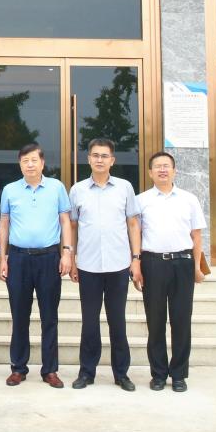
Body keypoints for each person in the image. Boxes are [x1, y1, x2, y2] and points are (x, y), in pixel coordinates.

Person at [68, 138, 141, 392]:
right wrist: (72, 259)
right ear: (89, 159)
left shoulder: (124, 187)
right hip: (88, 266)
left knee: (117, 321)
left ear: (112, 160)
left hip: (118, 265)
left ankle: (121, 374)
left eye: (104, 156)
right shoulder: (77, 190)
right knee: (89, 322)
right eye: (95, 155)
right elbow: (73, 227)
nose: (100, 160)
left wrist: (136, 258)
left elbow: (133, 224)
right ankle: (86, 372)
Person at [0, 143, 72, 388]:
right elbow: (4, 224)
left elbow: (65, 221)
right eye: (25, 161)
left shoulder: (56, 187)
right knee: (19, 315)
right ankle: (18, 368)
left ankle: (50, 370)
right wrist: (3, 257)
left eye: (34, 160)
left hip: (49, 258)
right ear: (20, 164)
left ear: (42, 163)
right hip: (18, 259)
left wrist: (67, 252)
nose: (29, 164)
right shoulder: (10, 190)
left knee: (49, 316)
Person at [134, 151, 207, 393]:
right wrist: (136, 265)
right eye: (158, 166)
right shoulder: (141, 200)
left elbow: (197, 236)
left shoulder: (189, 199)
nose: (162, 170)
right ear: (150, 172)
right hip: (152, 263)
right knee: (155, 322)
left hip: (182, 263)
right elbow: (135, 235)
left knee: (181, 320)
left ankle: (178, 374)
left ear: (175, 171)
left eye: (167, 166)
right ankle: (158, 374)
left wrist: (196, 267)